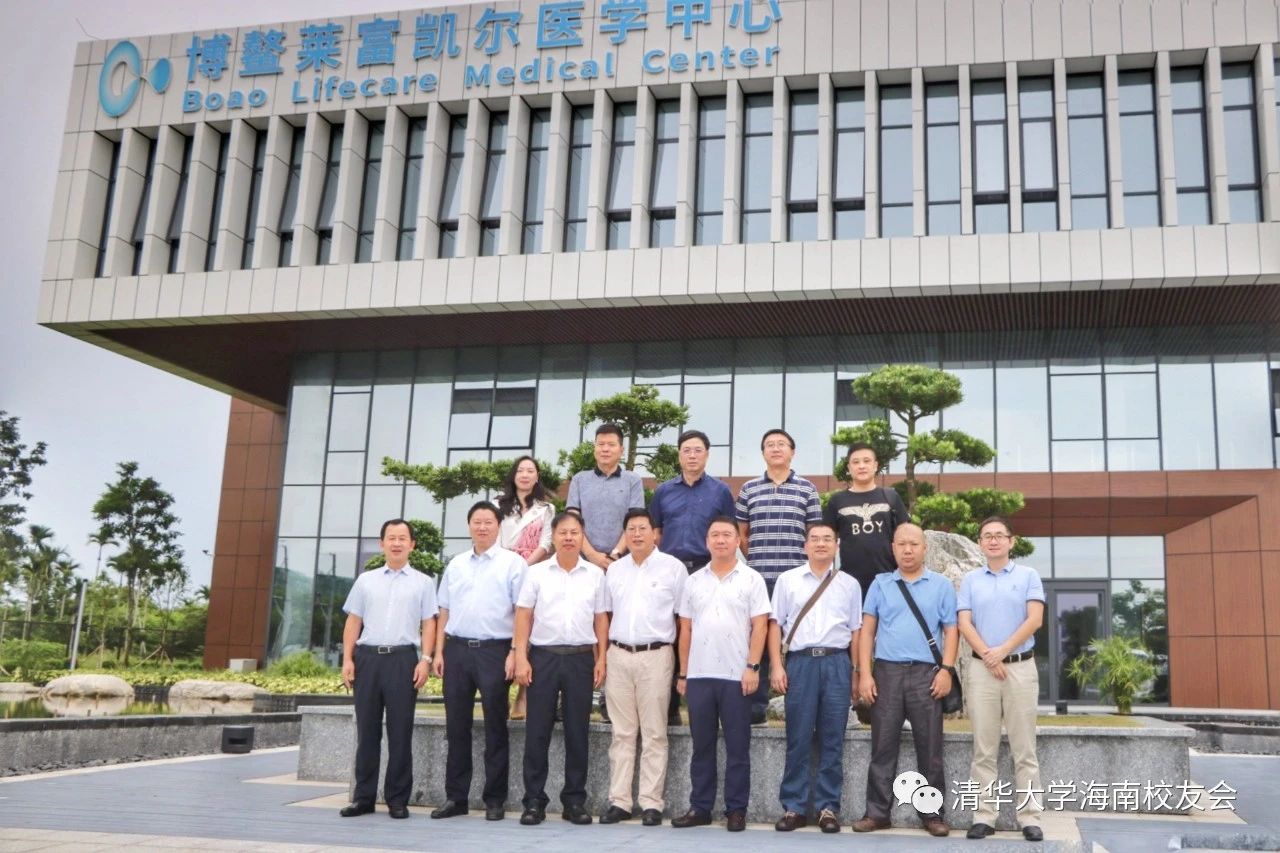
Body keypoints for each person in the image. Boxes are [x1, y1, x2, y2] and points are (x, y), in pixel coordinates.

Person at [854, 523, 957, 837]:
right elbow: (867, 632)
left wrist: (946, 670)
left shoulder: (941, 585)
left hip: (927, 674)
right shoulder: (881, 584)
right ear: (893, 548)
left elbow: (951, 630)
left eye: (914, 544)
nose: (907, 550)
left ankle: (933, 814)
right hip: (887, 673)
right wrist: (865, 673)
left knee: (931, 748)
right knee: (882, 746)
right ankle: (877, 814)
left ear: (925, 548)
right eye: (901, 544)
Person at [671, 517, 770, 833]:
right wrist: (683, 673)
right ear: (707, 541)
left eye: (727, 534)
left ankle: (736, 810)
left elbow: (760, 626)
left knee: (738, 748)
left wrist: (753, 667)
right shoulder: (693, 581)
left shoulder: (751, 579)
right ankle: (700, 807)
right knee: (702, 746)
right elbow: (685, 629)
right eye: (715, 535)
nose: (721, 540)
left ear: (738, 541)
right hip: (700, 675)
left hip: (737, 676)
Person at [430, 501, 527, 822]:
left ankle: (494, 799)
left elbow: (522, 612)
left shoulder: (513, 564)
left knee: (495, 726)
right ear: (469, 525)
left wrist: (515, 651)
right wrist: (439, 652)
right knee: (456, 727)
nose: (482, 527)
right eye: (477, 522)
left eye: (488, 522)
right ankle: (455, 798)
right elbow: (444, 610)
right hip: (457, 651)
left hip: (495, 652)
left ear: (498, 526)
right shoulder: (456, 564)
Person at [513, 511, 609, 826]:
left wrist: (601, 658)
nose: (569, 537)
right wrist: (521, 656)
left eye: (574, 532)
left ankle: (574, 802)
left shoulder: (595, 575)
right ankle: (534, 802)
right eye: (563, 532)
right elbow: (523, 616)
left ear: (582, 537)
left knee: (577, 732)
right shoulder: (536, 573)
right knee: (537, 731)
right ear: (553, 537)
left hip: (581, 659)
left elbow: (600, 618)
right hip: (543, 658)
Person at [338, 518, 438, 820]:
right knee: (367, 732)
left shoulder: (423, 582)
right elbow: (353, 621)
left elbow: (429, 623)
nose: (396, 543)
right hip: (367, 659)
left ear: (412, 545)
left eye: (402, 538)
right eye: (391, 538)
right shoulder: (365, 580)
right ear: (382, 544)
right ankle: (363, 798)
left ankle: (397, 799)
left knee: (400, 732)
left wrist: (425, 659)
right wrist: (347, 659)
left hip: (403, 660)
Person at [767, 522, 862, 834]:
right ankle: (793, 807)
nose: (821, 544)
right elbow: (774, 625)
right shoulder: (788, 580)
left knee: (833, 739)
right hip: (801, 663)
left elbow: (856, 631)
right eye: (815, 539)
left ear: (837, 546)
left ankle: (828, 808)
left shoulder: (850, 584)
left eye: (827, 539)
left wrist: (856, 672)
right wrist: (777, 666)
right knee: (798, 737)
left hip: (837, 663)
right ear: (805, 546)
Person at [957, 516, 1045, 843]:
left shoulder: (1028, 576)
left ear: (1011, 541)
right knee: (983, 749)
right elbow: (964, 622)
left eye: (999, 535)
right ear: (980, 543)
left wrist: (1002, 651)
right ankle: (983, 816)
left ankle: (1030, 817)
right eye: (987, 536)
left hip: (1020, 668)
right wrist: (988, 654)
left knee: (1025, 749)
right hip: (982, 670)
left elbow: (1035, 619)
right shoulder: (970, 580)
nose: (993, 540)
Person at [599, 508, 687, 827]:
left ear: (654, 533)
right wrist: (603, 656)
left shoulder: (673, 568)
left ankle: (651, 802)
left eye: (642, 528)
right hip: (619, 654)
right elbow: (605, 616)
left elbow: (684, 619)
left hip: (656, 656)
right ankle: (619, 801)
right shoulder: (614, 570)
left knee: (654, 733)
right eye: (631, 529)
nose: (637, 534)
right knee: (622, 733)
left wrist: (682, 669)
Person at [734, 428, 822, 723]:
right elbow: (741, 534)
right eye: (769, 444)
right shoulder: (749, 489)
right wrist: (756, 558)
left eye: (781, 444)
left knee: (796, 640)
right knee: (756, 641)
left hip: (797, 581)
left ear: (792, 452)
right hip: (758, 578)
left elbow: (814, 534)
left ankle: (798, 706)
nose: (775, 448)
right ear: (763, 453)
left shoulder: (807, 489)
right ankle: (756, 709)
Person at [649, 428, 735, 724]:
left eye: (698, 450)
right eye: (687, 450)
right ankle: (670, 707)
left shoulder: (720, 491)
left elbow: (727, 531)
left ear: (707, 455)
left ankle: (712, 706)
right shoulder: (663, 491)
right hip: (670, 570)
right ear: (679, 455)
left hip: (704, 569)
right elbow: (656, 533)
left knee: (706, 631)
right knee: (669, 632)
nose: (692, 455)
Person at [496, 455, 555, 719]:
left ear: (537, 476)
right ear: (514, 474)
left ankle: (523, 693)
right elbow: (495, 540)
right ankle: (502, 691)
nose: (525, 475)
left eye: (530, 471)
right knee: (504, 625)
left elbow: (546, 543)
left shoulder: (546, 509)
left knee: (530, 628)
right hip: (501, 573)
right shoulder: (498, 504)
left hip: (533, 572)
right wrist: (510, 565)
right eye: (520, 470)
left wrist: (524, 566)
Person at [824, 442, 910, 602]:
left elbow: (906, 535)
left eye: (866, 461)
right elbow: (827, 539)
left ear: (875, 465)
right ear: (849, 468)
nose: (861, 466)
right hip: (849, 582)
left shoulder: (890, 496)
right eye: (856, 462)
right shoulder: (837, 501)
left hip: (888, 579)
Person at [566, 423, 645, 570]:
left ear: (621, 450)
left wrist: (615, 555)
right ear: (594, 448)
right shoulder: (579, 480)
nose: (605, 449)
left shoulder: (633, 480)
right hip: (584, 562)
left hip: (624, 562)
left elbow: (635, 522)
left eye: (611, 444)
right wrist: (591, 554)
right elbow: (572, 522)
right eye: (600, 444)